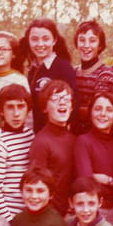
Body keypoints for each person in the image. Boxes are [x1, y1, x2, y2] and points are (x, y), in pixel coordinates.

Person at [73, 92, 113, 226]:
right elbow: (86, 183)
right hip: (90, 211)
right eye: (98, 109)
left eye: (109, 110)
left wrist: (108, 180)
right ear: (90, 113)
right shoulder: (83, 142)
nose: (102, 114)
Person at [0, 84, 35, 221]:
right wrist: (10, 221)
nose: (16, 113)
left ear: (28, 109)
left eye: (20, 106)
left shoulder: (30, 135)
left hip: (31, 211)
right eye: (10, 107)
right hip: (10, 215)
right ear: (1, 111)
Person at [19, 18, 77, 132]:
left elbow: (74, 103)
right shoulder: (32, 69)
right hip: (36, 132)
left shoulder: (63, 67)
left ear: (54, 40)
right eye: (34, 39)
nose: (40, 44)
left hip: (56, 134)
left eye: (45, 39)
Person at [29, 79, 76, 216]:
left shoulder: (74, 139)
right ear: (45, 108)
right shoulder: (41, 142)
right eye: (55, 99)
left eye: (66, 99)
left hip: (74, 212)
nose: (62, 103)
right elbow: (38, 186)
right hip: (52, 214)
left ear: (72, 107)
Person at [0, 31, 30, 133]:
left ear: (13, 54)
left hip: (10, 136)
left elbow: (27, 116)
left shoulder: (19, 81)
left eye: (3, 49)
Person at [72, 20, 113, 135]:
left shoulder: (105, 74)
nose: (86, 45)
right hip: (72, 134)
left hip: (95, 136)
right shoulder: (72, 72)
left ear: (100, 45)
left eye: (92, 41)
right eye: (82, 40)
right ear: (76, 43)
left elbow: (98, 111)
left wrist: (70, 109)